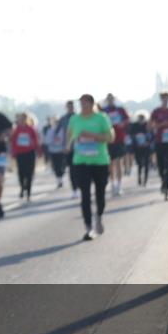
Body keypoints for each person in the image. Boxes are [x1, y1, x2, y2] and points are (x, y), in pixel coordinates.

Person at [67, 94, 114, 240]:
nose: (83, 107)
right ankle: (88, 227)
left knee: (100, 193)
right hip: (81, 161)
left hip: (100, 161)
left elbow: (110, 138)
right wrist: (67, 146)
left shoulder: (101, 118)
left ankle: (98, 216)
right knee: (85, 195)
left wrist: (92, 135)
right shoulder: (75, 119)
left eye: (86, 104)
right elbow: (69, 135)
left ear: (92, 104)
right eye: (81, 104)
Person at [100, 93, 130, 197]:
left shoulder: (120, 109)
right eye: (108, 99)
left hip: (120, 139)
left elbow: (127, 120)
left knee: (119, 162)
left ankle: (119, 185)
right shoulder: (104, 111)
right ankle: (112, 184)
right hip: (108, 140)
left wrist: (123, 124)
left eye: (112, 99)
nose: (110, 101)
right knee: (110, 163)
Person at [9, 112, 39, 201]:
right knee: (21, 173)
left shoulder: (31, 129)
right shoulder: (16, 130)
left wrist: (35, 148)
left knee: (29, 173)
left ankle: (28, 193)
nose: (22, 120)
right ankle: (22, 187)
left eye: (24, 119)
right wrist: (13, 153)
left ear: (27, 119)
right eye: (21, 119)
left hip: (30, 153)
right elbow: (13, 142)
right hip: (20, 154)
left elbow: (36, 140)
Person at [56, 100, 80, 198]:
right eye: (69, 106)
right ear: (66, 107)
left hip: (81, 148)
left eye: (72, 106)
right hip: (68, 148)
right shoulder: (63, 119)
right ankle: (74, 189)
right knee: (72, 170)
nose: (70, 108)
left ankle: (81, 187)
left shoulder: (79, 117)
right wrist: (59, 141)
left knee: (80, 169)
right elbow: (57, 132)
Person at [128, 111, 152, 186]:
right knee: (139, 164)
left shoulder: (147, 125)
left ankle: (145, 180)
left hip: (146, 148)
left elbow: (151, 135)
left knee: (147, 164)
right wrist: (136, 141)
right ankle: (139, 179)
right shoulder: (134, 125)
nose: (141, 119)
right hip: (137, 147)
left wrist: (147, 142)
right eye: (140, 117)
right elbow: (131, 135)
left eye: (142, 117)